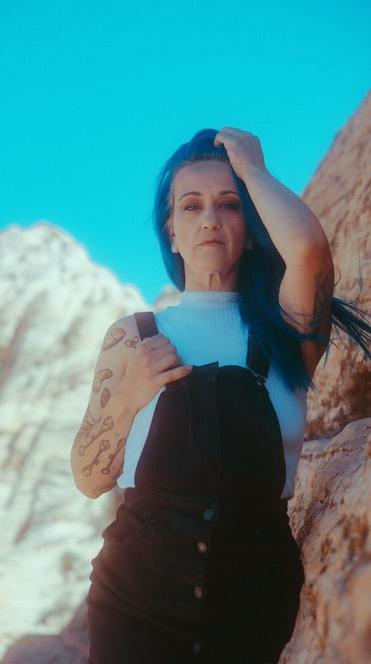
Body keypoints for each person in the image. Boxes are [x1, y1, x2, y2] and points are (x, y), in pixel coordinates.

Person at [70, 127, 371, 664]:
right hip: (133, 604)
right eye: (191, 206)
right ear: (172, 233)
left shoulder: (286, 332)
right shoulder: (132, 336)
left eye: (229, 204)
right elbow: (89, 478)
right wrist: (128, 396)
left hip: (252, 604)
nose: (210, 218)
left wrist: (253, 171)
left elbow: (309, 250)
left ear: (251, 230)